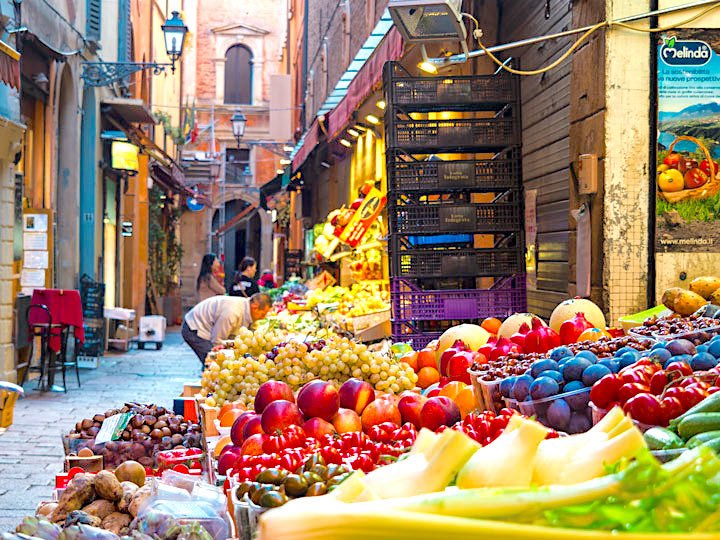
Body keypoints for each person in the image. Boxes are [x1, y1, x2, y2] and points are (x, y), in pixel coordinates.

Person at [182, 292, 272, 365]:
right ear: (255, 307)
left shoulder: (245, 307)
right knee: (212, 360)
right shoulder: (232, 313)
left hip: (208, 327)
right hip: (194, 327)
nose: (263, 317)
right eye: (263, 313)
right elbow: (217, 340)